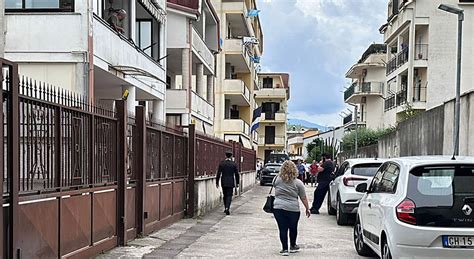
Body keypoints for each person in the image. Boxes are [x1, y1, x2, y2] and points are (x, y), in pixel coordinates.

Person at [273, 160, 311, 256]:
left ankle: (284, 249)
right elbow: (303, 197)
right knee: (293, 228)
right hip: (293, 208)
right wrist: (307, 208)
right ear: (295, 170)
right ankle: (293, 246)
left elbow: (274, 186)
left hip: (278, 207)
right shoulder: (298, 183)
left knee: (282, 228)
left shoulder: (276, 179)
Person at [216, 150, 240, 215]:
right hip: (230, 181)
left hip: (223, 181)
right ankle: (227, 207)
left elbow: (218, 173)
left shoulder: (222, 163)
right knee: (229, 195)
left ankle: (225, 207)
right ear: (231, 156)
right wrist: (237, 183)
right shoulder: (234, 164)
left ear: (225, 155)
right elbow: (237, 174)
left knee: (225, 195)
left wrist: (217, 182)